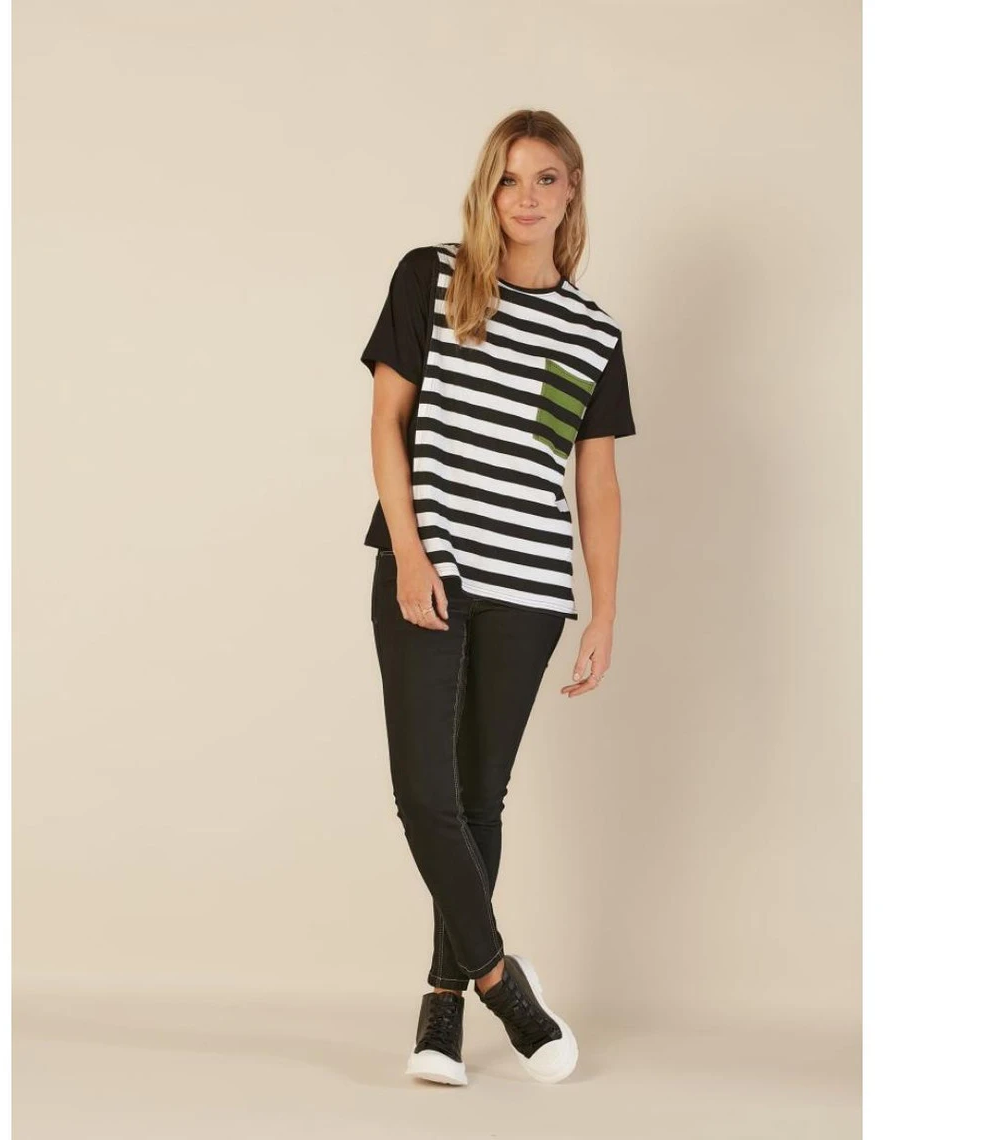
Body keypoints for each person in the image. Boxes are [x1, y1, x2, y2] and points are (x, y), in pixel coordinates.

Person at [359, 109, 637, 1086]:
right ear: (488, 187)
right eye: (510, 178)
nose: (527, 196)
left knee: (479, 798)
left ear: (571, 191)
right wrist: (409, 551)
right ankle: (500, 980)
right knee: (424, 793)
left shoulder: (589, 334)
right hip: (429, 565)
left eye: (546, 178)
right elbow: (387, 422)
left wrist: (603, 611)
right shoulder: (432, 279)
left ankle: (441, 1004)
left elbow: (588, 479)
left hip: (529, 586)